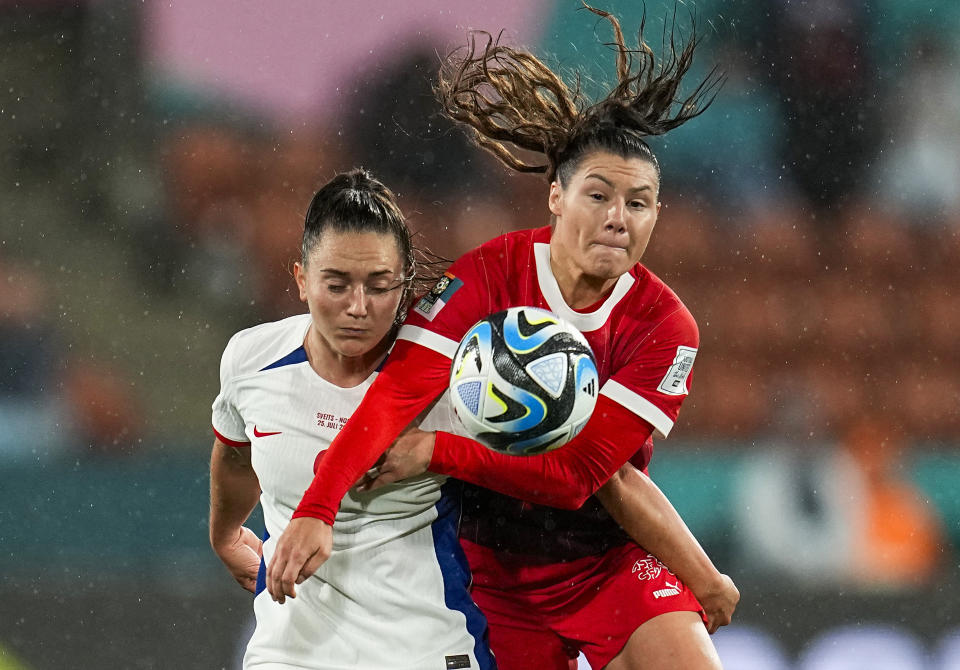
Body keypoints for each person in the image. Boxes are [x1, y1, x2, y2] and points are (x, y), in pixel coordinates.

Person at [269, 6, 737, 669]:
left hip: (602, 561)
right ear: (555, 197)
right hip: (490, 572)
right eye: (598, 196)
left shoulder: (664, 327)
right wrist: (317, 508)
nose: (617, 219)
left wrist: (440, 450)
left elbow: (581, 478)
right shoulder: (490, 275)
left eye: (637, 204)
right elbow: (396, 396)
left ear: (656, 214)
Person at [208, 168, 497, 669]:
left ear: (407, 287)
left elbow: (530, 481)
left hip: (427, 648)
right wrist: (225, 533)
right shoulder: (251, 359)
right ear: (301, 279)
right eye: (336, 285)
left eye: (379, 285)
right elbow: (235, 455)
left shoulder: (460, 379)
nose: (358, 308)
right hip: (290, 652)